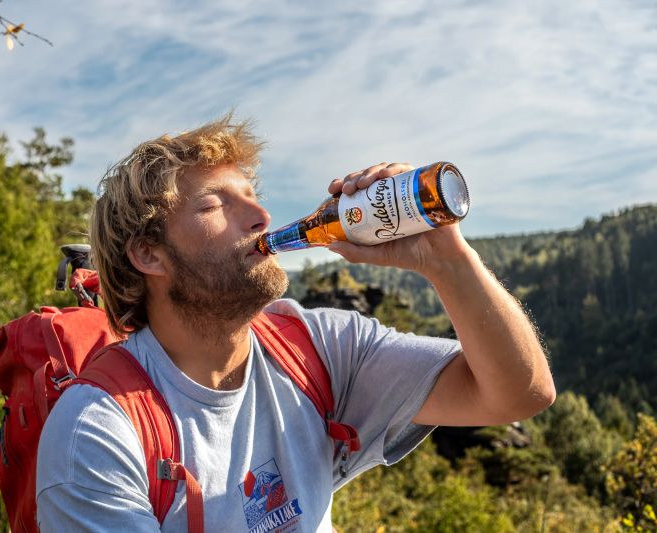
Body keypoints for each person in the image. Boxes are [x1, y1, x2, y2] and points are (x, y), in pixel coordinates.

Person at [36, 114, 556, 532]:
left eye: (251, 195)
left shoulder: (318, 349)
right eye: (216, 203)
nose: (261, 215)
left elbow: (519, 393)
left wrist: (445, 258)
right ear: (150, 254)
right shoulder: (98, 432)